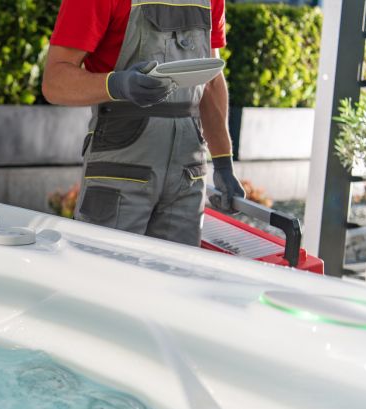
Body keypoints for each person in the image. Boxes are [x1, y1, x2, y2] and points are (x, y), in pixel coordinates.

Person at [42, 0, 245, 246]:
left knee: (177, 277)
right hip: (120, 165)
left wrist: (223, 162)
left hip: (187, 172)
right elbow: (54, 81)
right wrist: (116, 84)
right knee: (105, 274)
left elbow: (211, 80)